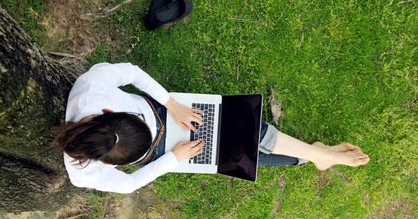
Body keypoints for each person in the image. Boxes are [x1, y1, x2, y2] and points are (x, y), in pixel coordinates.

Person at [55, 62, 369, 194]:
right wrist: (172, 158)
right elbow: (128, 185)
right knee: (241, 156)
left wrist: (172, 104)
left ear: (108, 111)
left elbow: (133, 74)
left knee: (244, 129)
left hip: (168, 112)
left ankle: (317, 155)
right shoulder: (82, 171)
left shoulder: (92, 87)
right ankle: (316, 155)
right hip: (169, 152)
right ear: (110, 161)